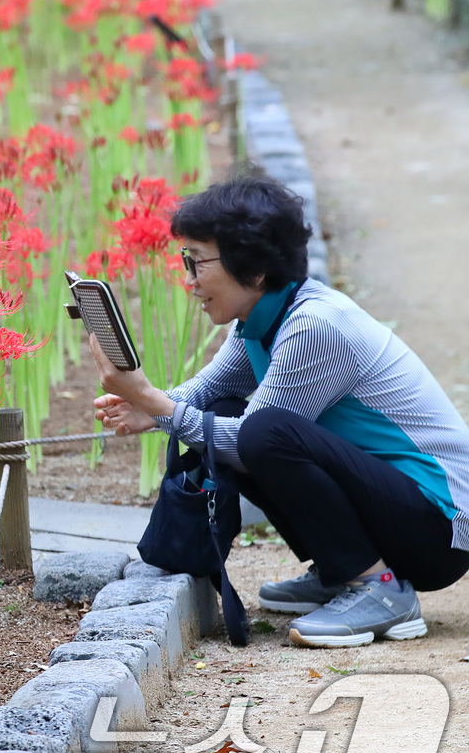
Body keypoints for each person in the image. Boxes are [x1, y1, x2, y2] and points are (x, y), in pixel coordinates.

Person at [89, 175, 469, 649]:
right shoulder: (262, 318)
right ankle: (342, 570)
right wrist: (151, 407)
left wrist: (152, 401)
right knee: (225, 411)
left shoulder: (316, 325)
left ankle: (378, 588)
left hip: (438, 528)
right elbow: (209, 391)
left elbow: (251, 440)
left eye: (196, 263)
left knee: (262, 432)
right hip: (399, 511)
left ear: (253, 269)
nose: (189, 281)